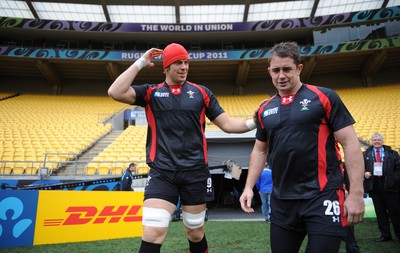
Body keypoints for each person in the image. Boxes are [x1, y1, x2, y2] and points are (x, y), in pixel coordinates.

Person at [108, 43, 257, 253]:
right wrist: (141, 62)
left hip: (195, 173)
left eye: (186, 62)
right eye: (178, 62)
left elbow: (228, 124)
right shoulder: (151, 93)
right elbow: (115, 91)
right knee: (152, 233)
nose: (184, 66)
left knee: (195, 232)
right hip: (162, 172)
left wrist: (253, 123)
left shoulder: (201, 93)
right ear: (166, 67)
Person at [239, 41, 365, 253]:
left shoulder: (324, 97)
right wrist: (249, 187)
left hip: (322, 195)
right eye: (276, 70)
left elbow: (350, 143)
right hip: (282, 200)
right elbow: (260, 150)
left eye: (287, 69)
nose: (281, 75)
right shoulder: (265, 109)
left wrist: (356, 194)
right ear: (269, 71)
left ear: (299, 69)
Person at [363, 132, 400, 242]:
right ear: (372, 141)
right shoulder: (365, 154)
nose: (377, 141)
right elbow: (360, 167)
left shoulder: (392, 153)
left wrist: (394, 179)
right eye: (375, 140)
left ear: (382, 141)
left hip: (390, 186)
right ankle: (385, 235)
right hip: (374, 186)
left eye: (379, 140)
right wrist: (365, 173)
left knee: (395, 212)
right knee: (380, 213)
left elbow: (398, 169)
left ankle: (399, 234)